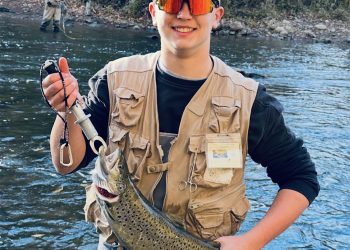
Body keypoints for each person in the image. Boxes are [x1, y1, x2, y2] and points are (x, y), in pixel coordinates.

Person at [41, 0, 320, 249]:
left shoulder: (250, 101)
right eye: (172, 3)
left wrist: (251, 241)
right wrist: (65, 110)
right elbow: (66, 164)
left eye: (197, 4)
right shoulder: (113, 81)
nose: (184, 14)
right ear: (153, 12)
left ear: (216, 16)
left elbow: (301, 177)